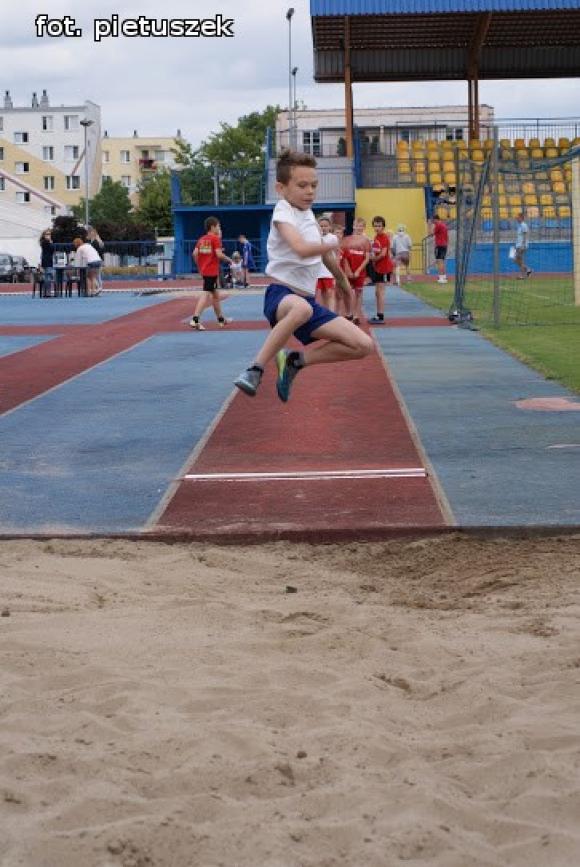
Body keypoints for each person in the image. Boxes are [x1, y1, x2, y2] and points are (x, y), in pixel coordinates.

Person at [233, 150, 371, 402]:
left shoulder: (308, 215)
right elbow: (301, 249)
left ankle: (296, 360)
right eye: (302, 185)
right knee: (301, 310)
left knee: (363, 345)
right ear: (281, 188)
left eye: (314, 186)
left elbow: (325, 257)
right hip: (281, 296)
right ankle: (255, 369)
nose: (310, 191)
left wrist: (343, 285)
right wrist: (331, 240)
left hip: (307, 302)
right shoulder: (283, 211)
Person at [190, 217, 233, 331]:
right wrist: (229, 259)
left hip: (205, 271)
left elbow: (194, 254)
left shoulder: (201, 239)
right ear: (213, 227)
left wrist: (200, 267)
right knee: (206, 293)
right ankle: (195, 319)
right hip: (212, 271)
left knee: (215, 296)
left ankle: (220, 319)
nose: (219, 228)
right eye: (218, 226)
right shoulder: (215, 239)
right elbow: (219, 255)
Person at [342, 217, 371, 326]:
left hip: (360, 271)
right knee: (347, 292)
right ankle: (348, 312)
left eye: (361, 226)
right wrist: (348, 270)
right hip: (348, 270)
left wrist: (358, 271)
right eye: (357, 225)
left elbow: (367, 258)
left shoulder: (366, 241)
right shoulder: (347, 240)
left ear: (364, 227)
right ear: (353, 226)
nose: (359, 228)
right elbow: (344, 257)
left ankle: (356, 315)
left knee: (358, 293)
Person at [369, 216, 393, 323]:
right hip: (378, 268)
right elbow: (376, 251)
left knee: (381, 292)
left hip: (384, 268)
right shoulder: (376, 237)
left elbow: (383, 254)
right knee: (377, 292)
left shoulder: (384, 238)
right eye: (375, 225)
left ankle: (381, 315)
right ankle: (378, 315)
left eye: (379, 226)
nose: (377, 227)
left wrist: (373, 259)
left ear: (383, 227)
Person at [316, 215, 339, 312]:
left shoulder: (333, 238)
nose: (323, 228)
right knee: (319, 294)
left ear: (330, 227)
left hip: (328, 271)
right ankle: (323, 312)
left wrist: (336, 269)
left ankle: (331, 313)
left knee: (330, 292)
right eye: (321, 226)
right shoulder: (315, 238)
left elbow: (337, 253)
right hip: (317, 271)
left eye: (325, 226)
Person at [431, 216, 449, 284]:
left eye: (434, 220)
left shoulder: (438, 225)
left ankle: (441, 277)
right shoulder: (444, 225)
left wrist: (430, 225)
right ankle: (444, 276)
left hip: (439, 245)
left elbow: (432, 234)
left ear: (436, 219)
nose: (433, 222)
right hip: (444, 245)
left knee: (439, 261)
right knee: (442, 261)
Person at [514, 212, 532, 279]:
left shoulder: (524, 225)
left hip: (521, 245)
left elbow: (525, 235)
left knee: (520, 260)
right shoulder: (519, 225)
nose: (516, 219)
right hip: (518, 245)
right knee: (514, 259)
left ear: (521, 218)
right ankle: (528, 270)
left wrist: (523, 245)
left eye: (518, 218)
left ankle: (521, 275)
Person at [87, 227, 105, 292]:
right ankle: (99, 287)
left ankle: (99, 287)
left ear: (93, 234)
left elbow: (96, 252)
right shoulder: (97, 241)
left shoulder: (95, 242)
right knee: (97, 275)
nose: (88, 235)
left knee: (96, 275)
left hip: (96, 260)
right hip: (99, 260)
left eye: (89, 233)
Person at [39, 228, 55, 296]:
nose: (49, 235)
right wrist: (51, 242)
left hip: (47, 260)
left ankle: (46, 292)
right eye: (47, 234)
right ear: (44, 235)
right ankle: (47, 292)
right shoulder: (45, 242)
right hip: (47, 261)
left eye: (50, 234)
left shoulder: (47, 242)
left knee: (47, 276)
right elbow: (51, 249)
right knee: (48, 276)